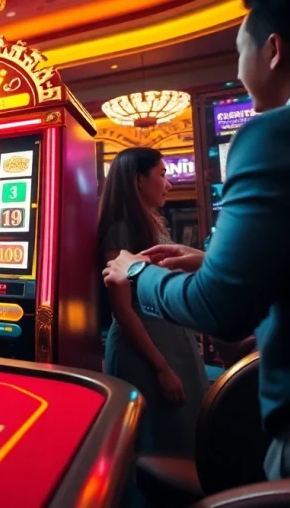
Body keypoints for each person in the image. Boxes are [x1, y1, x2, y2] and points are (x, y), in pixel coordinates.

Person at [103, 0, 290, 480]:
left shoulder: (278, 132)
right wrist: (211, 260)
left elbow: (219, 304)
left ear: (273, 50)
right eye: (158, 173)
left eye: (239, 49)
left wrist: (136, 272)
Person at [99, 147, 207, 458]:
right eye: (161, 174)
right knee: (160, 442)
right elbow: (122, 308)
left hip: (167, 340)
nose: (168, 183)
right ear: (137, 180)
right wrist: (161, 367)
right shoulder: (120, 229)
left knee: (184, 433)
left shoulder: (149, 222)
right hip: (145, 348)